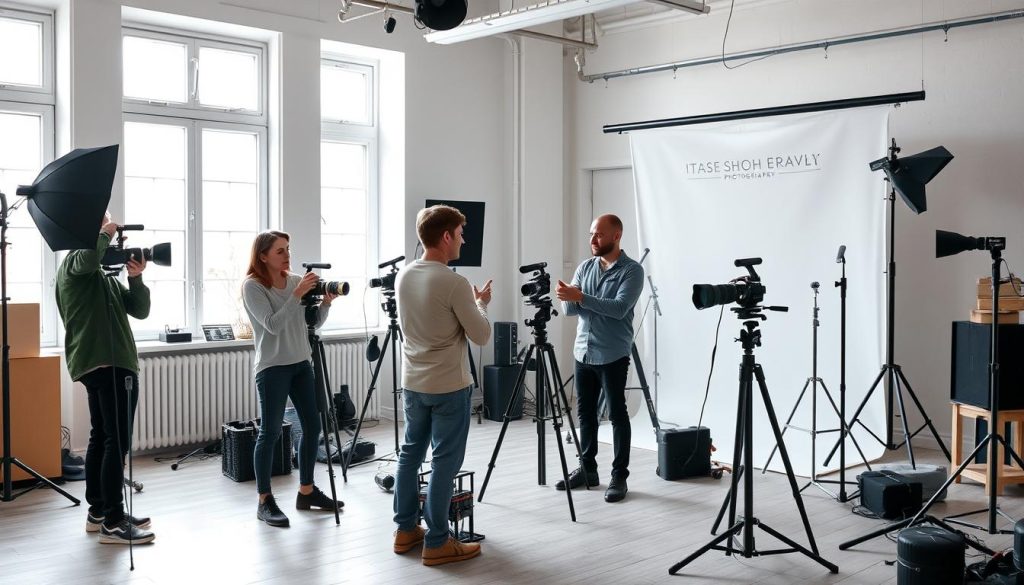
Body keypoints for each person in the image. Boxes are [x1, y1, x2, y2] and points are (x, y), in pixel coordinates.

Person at [392, 205, 492, 566]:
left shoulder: (403, 276)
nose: (464, 240)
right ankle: (437, 541)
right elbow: (480, 335)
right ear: (446, 236)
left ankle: (405, 530)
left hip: (413, 382)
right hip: (448, 385)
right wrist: (481, 304)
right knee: (445, 462)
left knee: (410, 455)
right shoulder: (454, 282)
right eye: (461, 234)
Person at [56, 212, 155, 544]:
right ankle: (113, 520)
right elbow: (87, 258)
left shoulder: (102, 278)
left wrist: (136, 278)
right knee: (117, 441)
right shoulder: (74, 264)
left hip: (109, 362)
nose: (107, 229)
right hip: (106, 362)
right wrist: (107, 231)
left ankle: (98, 511)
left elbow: (139, 310)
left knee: (102, 437)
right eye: (99, 223)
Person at [242, 230, 344, 528]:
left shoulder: (297, 281)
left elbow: (311, 324)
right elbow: (272, 325)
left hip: (301, 363)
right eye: (280, 251)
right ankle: (264, 500)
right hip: (272, 367)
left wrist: (325, 302)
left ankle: (307, 491)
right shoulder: (253, 287)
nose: (287, 255)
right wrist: (297, 297)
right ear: (263, 256)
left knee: (313, 427)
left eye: (288, 248)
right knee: (270, 432)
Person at [555, 213, 644, 503]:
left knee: (618, 415)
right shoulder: (585, 267)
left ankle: (619, 476)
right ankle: (588, 469)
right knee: (585, 413)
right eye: (591, 234)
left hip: (612, 354)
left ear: (616, 236)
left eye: (599, 235)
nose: (593, 240)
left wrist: (580, 298)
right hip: (583, 351)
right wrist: (572, 298)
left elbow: (619, 309)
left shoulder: (632, 272)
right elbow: (568, 311)